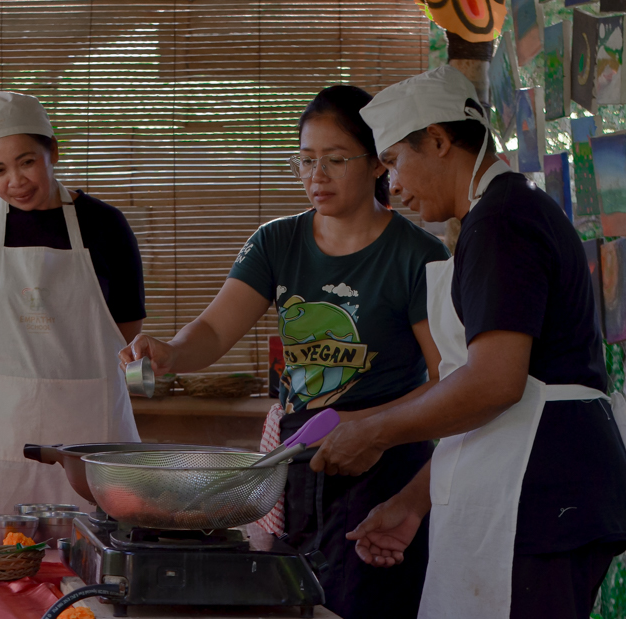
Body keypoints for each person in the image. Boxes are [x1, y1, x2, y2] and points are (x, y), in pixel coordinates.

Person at [119, 85, 449, 619]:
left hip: (383, 467)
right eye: (305, 160)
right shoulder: (277, 242)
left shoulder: (418, 256)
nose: (316, 175)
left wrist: (370, 427)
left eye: (336, 160)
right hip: (299, 464)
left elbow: (446, 382)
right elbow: (213, 330)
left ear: (377, 165)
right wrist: (170, 351)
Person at [313, 66, 626, 619]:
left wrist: (374, 434)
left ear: (437, 140)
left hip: (540, 490)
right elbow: (475, 389)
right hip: (533, 483)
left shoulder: (502, 221)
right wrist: (413, 503)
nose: (393, 186)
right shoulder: (498, 216)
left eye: (392, 162)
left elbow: (494, 384)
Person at [0, 91, 146, 511]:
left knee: (88, 560)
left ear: (53, 151)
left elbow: (126, 341)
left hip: (88, 440)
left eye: (26, 161)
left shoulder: (106, 227)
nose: (15, 180)